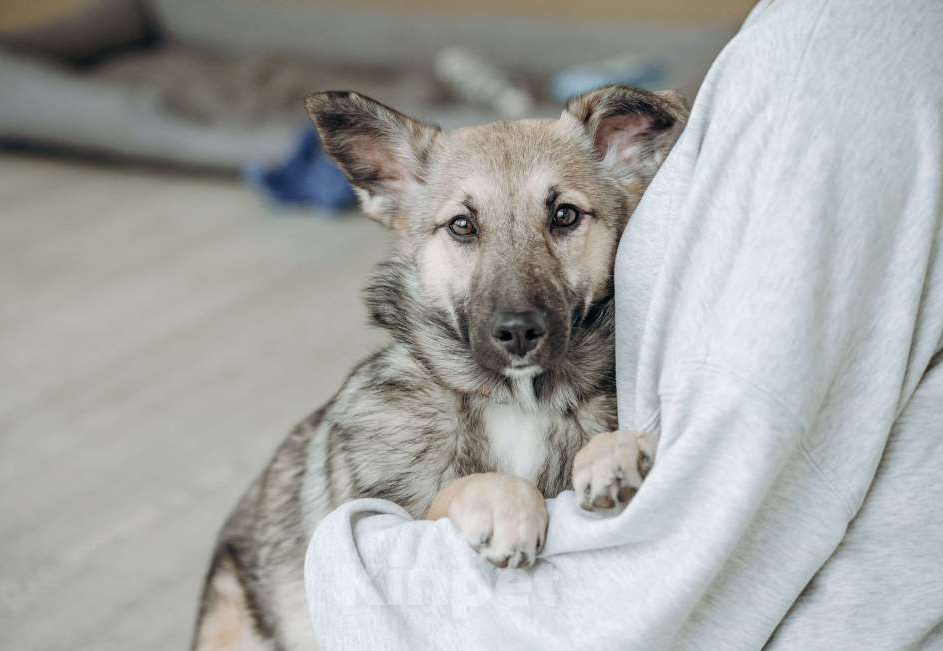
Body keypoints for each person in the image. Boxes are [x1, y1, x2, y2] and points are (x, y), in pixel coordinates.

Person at [304, 0, 943, 647]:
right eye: (465, 229)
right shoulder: (390, 423)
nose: (517, 307)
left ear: (624, 157)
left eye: (562, 220)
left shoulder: (626, 403)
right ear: (392, 192)